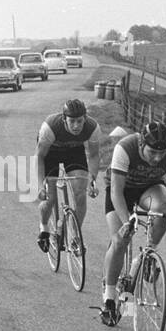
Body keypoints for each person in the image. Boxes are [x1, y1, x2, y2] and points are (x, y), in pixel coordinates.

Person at [100, 121, 166, 326]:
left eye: (161, 153)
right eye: (152, 152)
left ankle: (147, 256)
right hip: (121, 192)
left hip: (149, 188)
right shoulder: (125, 148)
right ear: (141, 144)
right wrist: (127, 220)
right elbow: (116, 192)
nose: (157, 158)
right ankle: (109, 298)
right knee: (120, 240)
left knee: (163, 209)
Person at [35, 98, 101, 253]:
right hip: (51, 152)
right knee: (49, 198)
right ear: (64, 119)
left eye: (80, 121)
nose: (76, 126)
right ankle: (44, 227)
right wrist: (40, 186)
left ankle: (75, 237)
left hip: (74, 151)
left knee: (80, 194)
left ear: (85, 118)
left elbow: (93, 155)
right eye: (72, 121)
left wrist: (92, 179)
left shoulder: (92, 128)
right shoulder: (50, 127)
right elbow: (39, 157)